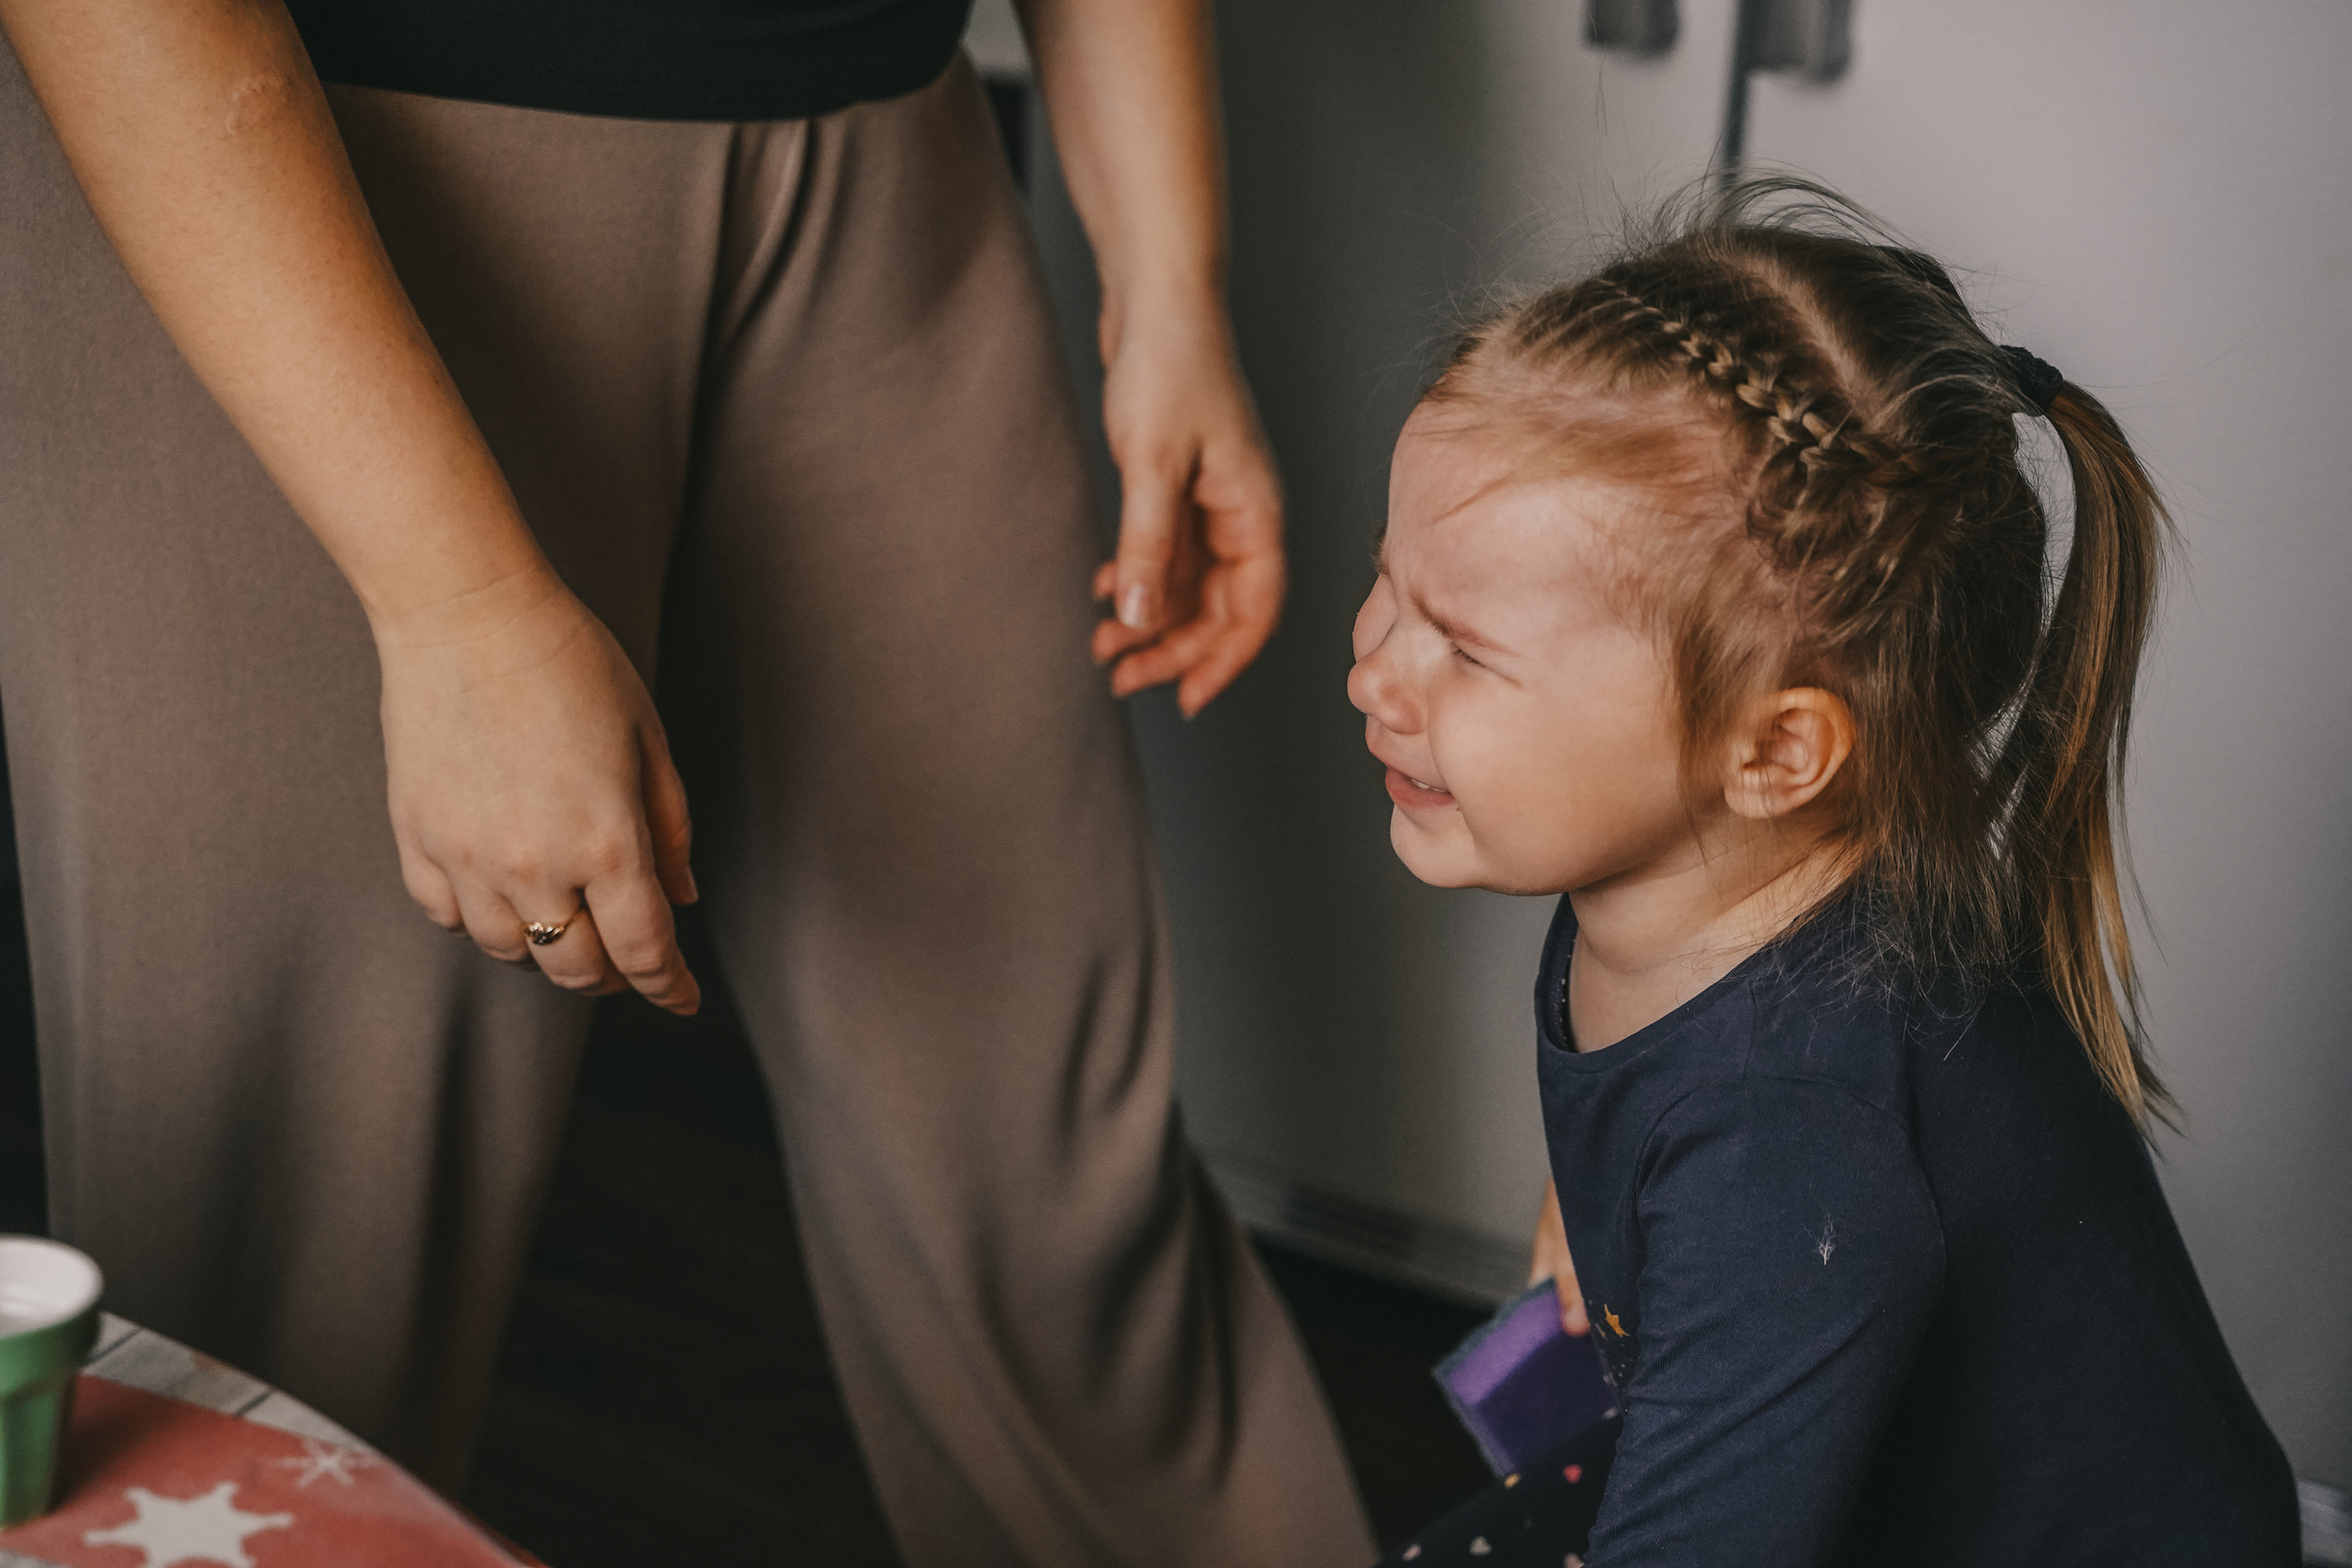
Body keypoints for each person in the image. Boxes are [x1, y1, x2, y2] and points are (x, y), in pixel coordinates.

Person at [0, 0, 1375, 1562]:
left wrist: (1166, 278)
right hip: (323, 157)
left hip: (888, 153)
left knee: (1060, 1205)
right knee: (290, 1302)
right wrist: (454, 601)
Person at [1344, 183, 2302, 1564]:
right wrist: (1601, 1199)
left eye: (1467, 649)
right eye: (1390, 583)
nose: (1373, 669)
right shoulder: (1685, 868)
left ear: (1777, 751)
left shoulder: (1787, 1147)